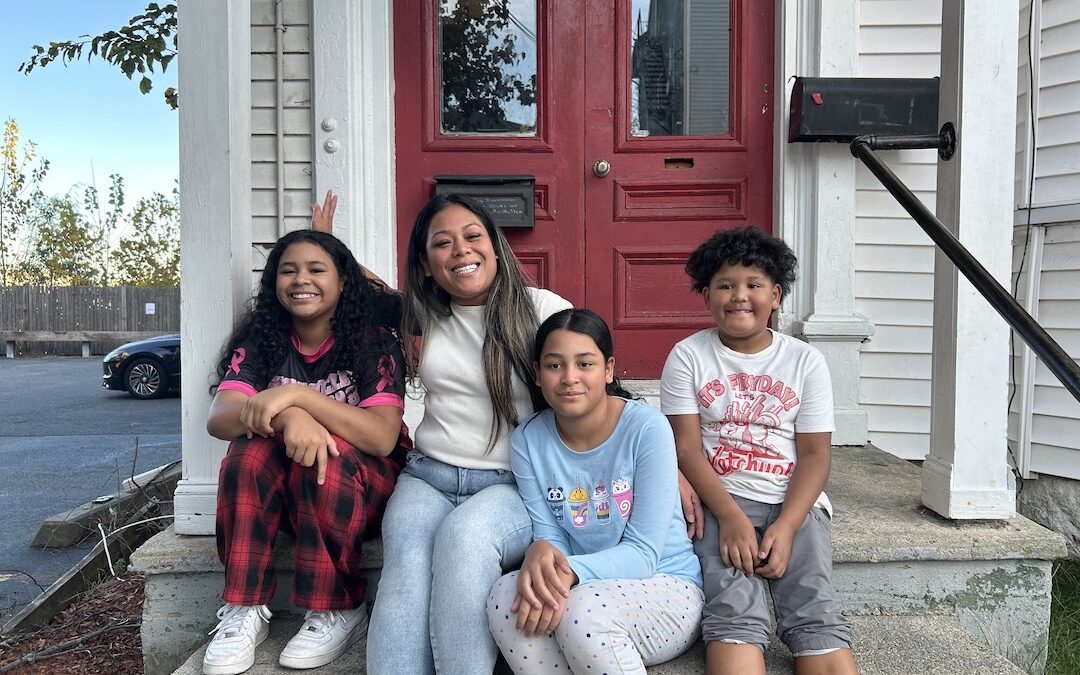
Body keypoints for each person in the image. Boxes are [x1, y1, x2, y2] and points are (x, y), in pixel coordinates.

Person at [362, 193, 573, 674]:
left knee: (464, 539)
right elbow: (361, 288)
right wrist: (331, 245)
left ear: (495, 247)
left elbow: (601, 385)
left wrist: (676, 469)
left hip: (512, 484)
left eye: (472, 236)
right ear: (426, 262)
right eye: (442, 243)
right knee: (407, 564)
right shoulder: (422, 316)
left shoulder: (541, 310)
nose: (460, 250)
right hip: (428, 477)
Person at [203, 229, 410, 675]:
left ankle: (339, 608)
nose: (302, 280)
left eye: (317, 270)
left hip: (361, 494)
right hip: (293, 499)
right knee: (245, 456)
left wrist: (298, 397)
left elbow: (380, 438)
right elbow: (221, 417)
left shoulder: (373, 341)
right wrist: (288, 418)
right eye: (288, 270)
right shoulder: (264, 338)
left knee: (328, 457)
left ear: (343, 282)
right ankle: (243, 608)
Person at [660, 226, 857, 675]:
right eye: (725, 286)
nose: (739, 296)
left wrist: (787, 526)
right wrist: (727, 516)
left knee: (814, 608)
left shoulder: (805, 361)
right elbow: (687, 449)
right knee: (732, 612)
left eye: (753, 285)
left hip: (795, 503)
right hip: (719, 499)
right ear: (707, 295)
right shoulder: (688, 356)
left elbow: (814, 456)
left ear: (776, 295)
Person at [487, 308, 704, 673]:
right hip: (582, 589)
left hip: (664, 588)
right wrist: (543, 552)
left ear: (608, 369)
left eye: (584, 364)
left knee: (580, 610)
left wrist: (563, 572)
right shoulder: (528, 439)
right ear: (538, 374)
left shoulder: (647, 429)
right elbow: (551, 532)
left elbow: (643, 553)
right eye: (554, 366)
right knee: (504, 597)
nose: (570, 378)